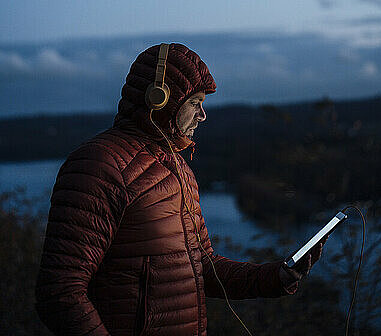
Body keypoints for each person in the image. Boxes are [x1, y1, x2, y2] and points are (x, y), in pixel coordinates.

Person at [35, 43, 325, 336]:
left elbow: (202, 265)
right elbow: (60, 293)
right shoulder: (101, 165)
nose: (203, 115)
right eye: (194, 102)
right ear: (159, 99)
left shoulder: (178, 169)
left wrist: (275, 275)